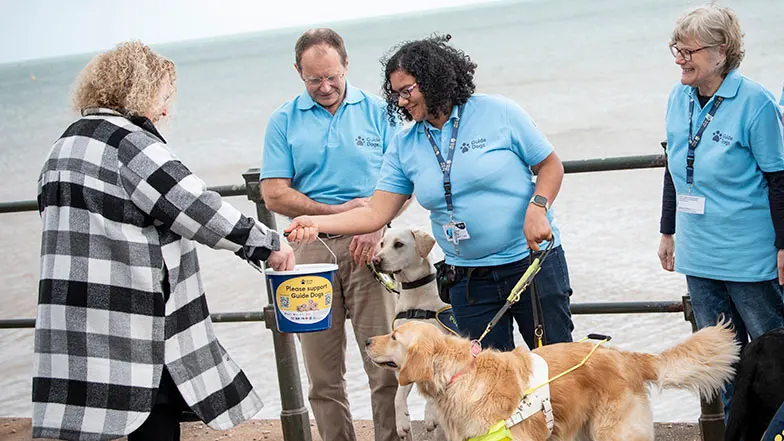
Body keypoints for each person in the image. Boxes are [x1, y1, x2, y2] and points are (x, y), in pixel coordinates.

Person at [33, 41, 294, 441]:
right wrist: (267, 243)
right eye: (163, 96)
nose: (166, 109)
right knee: (150, 418)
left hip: (71, 320)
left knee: (90, 421)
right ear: (138, 92)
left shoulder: (62, 146)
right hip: (128, 321)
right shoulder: (128, 144)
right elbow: (196, 206)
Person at [286, 35, 574, 352]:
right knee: (483, 386)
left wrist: (537, 207)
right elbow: (375, 213)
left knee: (553, 370)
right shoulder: (405, 144)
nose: (401, 102)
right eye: (395, 94)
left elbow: (550, 165)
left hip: (528, 264)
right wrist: (314, 222)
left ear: (434, 81)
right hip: (467, 280)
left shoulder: (499, 113)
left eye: (407, 91)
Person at [259, 28, 398, 441]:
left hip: (372, 245)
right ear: (298, 72)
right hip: (310, 249)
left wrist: (375, 223)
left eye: (332, 76)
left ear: (346, 65)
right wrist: (336, 212)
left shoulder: (380, 111)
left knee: (386, 365)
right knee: (322, 375)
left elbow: (403, 179)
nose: (325, 87)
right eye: (313, 79)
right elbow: (273, 192)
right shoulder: (283, 120)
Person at [657, 4, 784, 416]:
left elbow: (779, 178)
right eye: (676, 48)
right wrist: (666, 231)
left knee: (772, 359)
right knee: (721, 365)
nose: (679, 57)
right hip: (700, 257)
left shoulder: (757, 103)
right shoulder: (679, 97)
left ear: (721, 51)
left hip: (750, 259)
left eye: (688, 50)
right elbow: (675, 166)